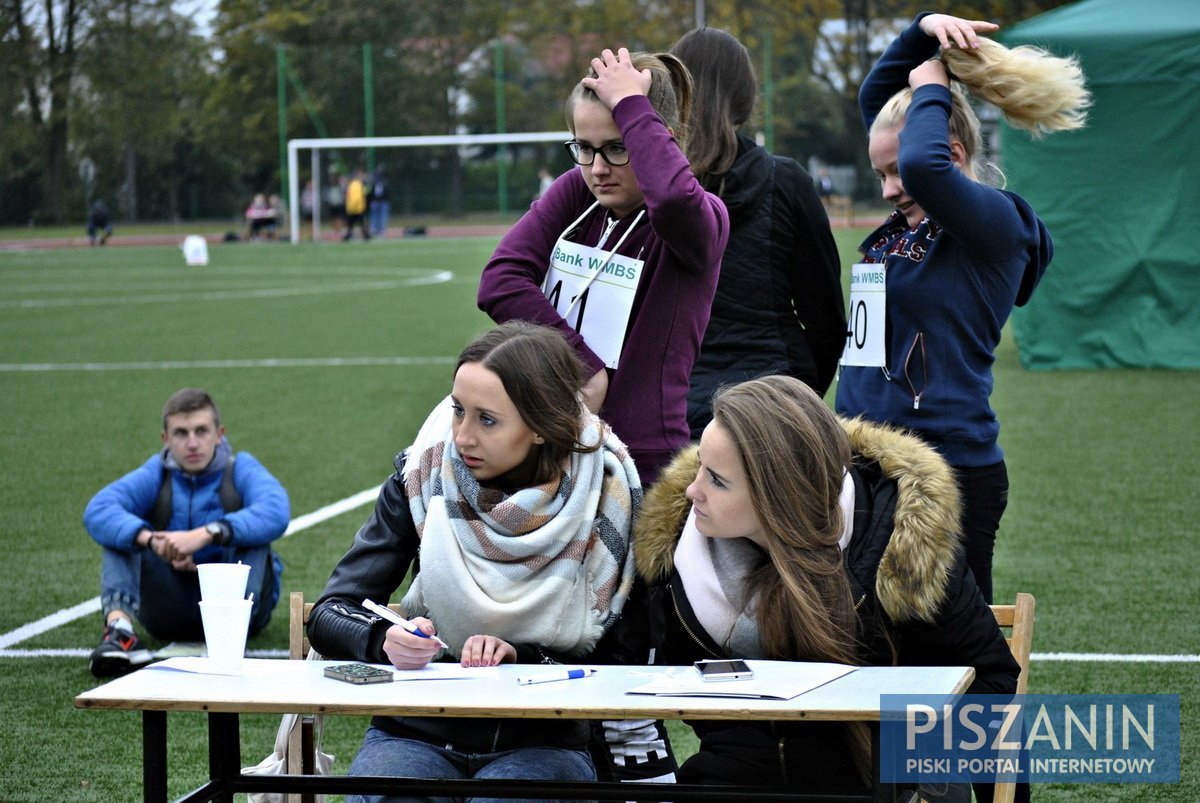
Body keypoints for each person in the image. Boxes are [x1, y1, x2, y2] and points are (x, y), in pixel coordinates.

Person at [306, 321, 664, 801]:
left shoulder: (610, 496)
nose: (462, 437)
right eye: (458, 411)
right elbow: (331, 613)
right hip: (417, 731)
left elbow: (623, 659)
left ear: (540, 427)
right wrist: (383, 639)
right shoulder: (422, 476)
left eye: (486, 419)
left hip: (545, 739)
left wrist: (523, 657)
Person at [636, 375, 1021, 800]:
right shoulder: (678, 556)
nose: (692, 491)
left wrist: (904, 758)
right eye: (700, 469)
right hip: (734, 778)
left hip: (885, 779)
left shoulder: (900, 549)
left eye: (717, 480)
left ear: (777, 495)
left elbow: (993, 680)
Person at [835, 13, 1090, 603]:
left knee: (955, 657)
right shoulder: (911, 221)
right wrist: (925, 29)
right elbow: (879, 103)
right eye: (879, 173)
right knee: (872, 647)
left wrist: (932, 88)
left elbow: (923, 165)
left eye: (895, 172)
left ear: (951, 152)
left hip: (943, 473)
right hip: (870, 464)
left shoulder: (993, 225)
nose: (888, 190)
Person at [478, 47, 729, 486]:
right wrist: (583, 364)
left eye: (617, 148)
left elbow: (670, 196)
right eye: (584, 148)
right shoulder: (577, 193)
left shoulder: (702, 218)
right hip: (559, 437)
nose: (597, 169)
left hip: (641, 456)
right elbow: (499, 281)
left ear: (658, 137)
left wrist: (632, 105)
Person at [670, 28, 844, 438]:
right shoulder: (788, 181)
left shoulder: (650, 189)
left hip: (676, 410)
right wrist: (798, 395)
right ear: (746, 99)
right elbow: (827, 319)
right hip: (772, 407)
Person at [83, 388, 290, 677]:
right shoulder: (157, 473)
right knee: (122, 533)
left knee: (254, 538)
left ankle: (229, 637)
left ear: (219, 434)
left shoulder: (239, 468)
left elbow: (276, 510)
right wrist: (154, 541)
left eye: (201, 431)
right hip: (170, 609)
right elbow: (99, 509)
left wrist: (207, 534)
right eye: (181, 433)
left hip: (237, 607)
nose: (192, 443)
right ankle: (120, 632)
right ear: (165, 439)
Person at [343, 168, 371, 241]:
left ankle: (349, 235)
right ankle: (365, 235)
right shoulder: (360, 184)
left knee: (351, 223)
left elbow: (347, 195)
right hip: (359, 208)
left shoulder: (350, 185)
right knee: (360, 223)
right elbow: (366, 192)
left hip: (352, 208)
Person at [369, 167, 390, 237]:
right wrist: (372, 201)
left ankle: (382, 230)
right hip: (376, 202)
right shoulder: (373, 183)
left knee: (382, 216)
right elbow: (371, 193)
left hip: (383, 202)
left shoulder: (384, 182)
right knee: (375, 216)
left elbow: (387, 192)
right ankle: (374, 230)